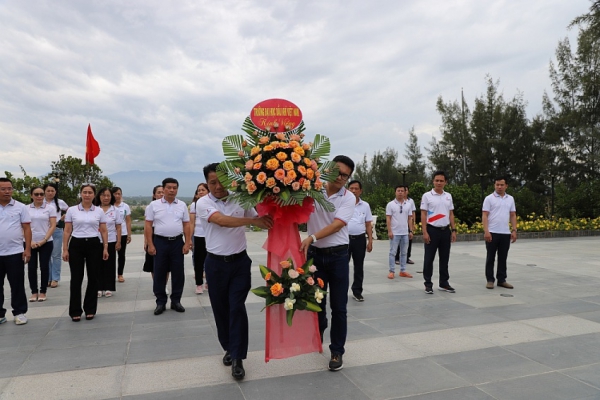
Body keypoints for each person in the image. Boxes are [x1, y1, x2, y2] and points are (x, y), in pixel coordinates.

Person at [196, 163, 273, 380]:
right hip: (215, 264)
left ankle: (238, 357)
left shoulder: (241, 198)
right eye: (212, 183)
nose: (218, 186)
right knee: (221, 309)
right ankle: (229, 347)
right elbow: (221, 221)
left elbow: (260, 213)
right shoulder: (203, 203)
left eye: (222, 181)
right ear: (206, 183)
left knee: (236, 307)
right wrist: (252, 221)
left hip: (239, 263)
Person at [300, 155, 356, 372]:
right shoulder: (313, 190)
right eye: (339, 173)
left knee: (339, 307)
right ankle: (317, 336)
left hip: (339, 257)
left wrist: (312, 237)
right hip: (315, 257)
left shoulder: (348, 198)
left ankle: (337, 351)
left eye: (346, 176)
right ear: (329, 169)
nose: (342, 178)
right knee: (317, 304)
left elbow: (338, 225)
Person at [144, 178, 192, 316]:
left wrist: (187, 242)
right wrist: (150, 244)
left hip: (177, 242)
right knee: (159, 272)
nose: (172, 190)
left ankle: (176, 300)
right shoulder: (153, 205)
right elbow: (148, 225)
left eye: (175, 188)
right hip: (160, 242)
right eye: (169, 187)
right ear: (163, 189)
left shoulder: (182, 205)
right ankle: (160, 302)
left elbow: (186, 224)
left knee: (178, 272)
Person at [63, 184, 109, 321]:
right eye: (85, 192)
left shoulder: (99, 211)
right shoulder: (72, 210)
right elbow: (67, 230)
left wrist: (105, 247)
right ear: (81, 194)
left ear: (94, 195)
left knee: (93, 277)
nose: (87, 195)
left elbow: (104, 230)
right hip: (76, 244)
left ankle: (90, 309)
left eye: (90, 192)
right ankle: (75, 310)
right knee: (76, 278)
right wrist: (65, 248)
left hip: (94, 244)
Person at [0, 177, 31, 325]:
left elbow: (27, 229)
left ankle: (19, 312)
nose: (7, 192)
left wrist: (27, 249)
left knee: (17, 284)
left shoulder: (20, 207)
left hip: (15, 252)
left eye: (9, 188)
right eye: (3, 189)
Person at [420, 171, 457, 294]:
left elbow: (451, 214)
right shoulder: (427, 196)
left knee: (444, 258)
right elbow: (424, 214)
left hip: (445, 231)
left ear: (445, 182)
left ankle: (444, 283)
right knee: (429, 259)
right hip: (432, 230)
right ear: (433, 181)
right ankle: (428, 284)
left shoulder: (448, 196)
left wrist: (453, 230)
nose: (439, 183)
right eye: (437, 180)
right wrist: (424, 232)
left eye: (441, 181)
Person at [482, 176, 518, 289]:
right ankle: (490, 280)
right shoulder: (489, 199)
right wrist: (486, 231)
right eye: (497, 184)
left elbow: (512, 215)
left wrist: (514, 229)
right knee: (490, 257)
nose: (499, 187)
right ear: (494, 185)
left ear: (506, 186)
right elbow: (485, 215)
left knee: (503, 257)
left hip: (505, 233)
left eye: (502, 185)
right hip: (492, 232)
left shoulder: (510, 199)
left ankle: (501, 280)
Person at [27, 186, 57, 302]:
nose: (39, 196)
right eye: (36, 194)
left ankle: (43, 291)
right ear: (31, 195)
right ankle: (34, 292)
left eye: (41, 194)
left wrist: (44, 240)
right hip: (30, 242)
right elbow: (23, 226)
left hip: (46, 241)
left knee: (44, 267)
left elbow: (53, 225)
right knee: (31, 267)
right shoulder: (26, 209)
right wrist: (30, 241)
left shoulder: (50, 208)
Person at [346, 180, 373, 302]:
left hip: (359, 239)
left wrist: (370, 241)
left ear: (360, 191)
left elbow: (368, 224)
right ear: (347, 189)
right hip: (344, 240)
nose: (353, 191)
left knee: (359, 267)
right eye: (351, 188)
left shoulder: (365, 206)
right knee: (342, 267)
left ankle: (357, 291)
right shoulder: (343, 204)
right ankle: (341, 291)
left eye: (356, 189)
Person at [93, 188, 122, 298]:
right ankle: (98, 287)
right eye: (103, 195)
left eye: (108, 195)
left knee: (109, 264)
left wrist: (118, 241)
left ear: (111, 197)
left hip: (110, 240)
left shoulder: (115, 210)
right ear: (99, 196)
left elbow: (118, 227)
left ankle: (109, 287)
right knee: (96, 264)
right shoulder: (94, 209)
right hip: (96, 240)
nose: (105, 198)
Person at [43, 182, 69, 288]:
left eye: (52, 191)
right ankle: (47, 278)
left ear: (55, 192)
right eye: (48, 191)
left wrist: (63, 217)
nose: (50, 193)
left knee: (56, 255)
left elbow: (70, 210)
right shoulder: (41, 202)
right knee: (46, 256)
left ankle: (55, 278)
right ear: (44, 191)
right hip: (44, 231)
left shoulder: (59, 202)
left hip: (57, 230)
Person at [386, 185, 414, 279]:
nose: (400, 192)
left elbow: (410, 218)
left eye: (402, 191)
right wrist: (390, 231)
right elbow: (388, 218)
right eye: (398, 190)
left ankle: (403, 270)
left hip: (405, 232)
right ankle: (391, 271)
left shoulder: (408, 204)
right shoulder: (391, 204)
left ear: (405, 192)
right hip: (395, 232)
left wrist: (411, 231)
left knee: (404, 252)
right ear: (395, 192)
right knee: (393, 252)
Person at [189, 183, 209, 294]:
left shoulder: (213, 204)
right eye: (199, 190)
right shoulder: (194, 205)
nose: (200, 192)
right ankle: (199, 284)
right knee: (198, 261)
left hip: (211, 236)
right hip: (198, 236)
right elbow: (191, 223)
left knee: (210, 261)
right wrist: (190, 239)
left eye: (203, 190)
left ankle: (209, 282)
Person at [111, 187, 131, 283]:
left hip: (122, 233)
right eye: (115, 194)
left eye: (119, 194)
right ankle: (110, 274)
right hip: (111, 234)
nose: (117, 196)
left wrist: (129, 234)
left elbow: (128, 221)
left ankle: (120, 274)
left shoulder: (125, 206)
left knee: (121, 255)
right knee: (110, 256)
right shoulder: (108, 206)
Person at [143, 185, 164, 276]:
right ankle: (156, 284)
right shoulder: (150, 207)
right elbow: (147, 225)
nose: (161, 194)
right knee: (152, 262)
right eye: (159, 192)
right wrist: (146, 241)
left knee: (165, 263)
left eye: (163, 192)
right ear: (154, 195)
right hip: (153, 233)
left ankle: (164, 285)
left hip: (164, 234)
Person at [395, 186, 417, 265]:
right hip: (399, 224)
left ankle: (407, 257)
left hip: (408, 224)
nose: (403, 192)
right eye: (400, 190)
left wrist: (413, 223)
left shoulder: (410, 201)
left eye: (405, 190)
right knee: (398, 241)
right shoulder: (396, 202)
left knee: (409, 241)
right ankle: (397, 257)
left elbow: (413, 212)